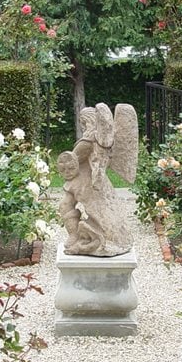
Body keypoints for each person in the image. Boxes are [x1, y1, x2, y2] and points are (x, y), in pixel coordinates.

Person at [57, 105, 132, 256]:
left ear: (86, 121)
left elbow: (73, 159)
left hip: (86, 182)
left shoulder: (89, 139)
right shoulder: (98, 138)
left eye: (82, 122)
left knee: (66, 205)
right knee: (95, 209)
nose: (82, 125)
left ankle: (76, 236)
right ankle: (78, 236)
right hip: (89, 180)